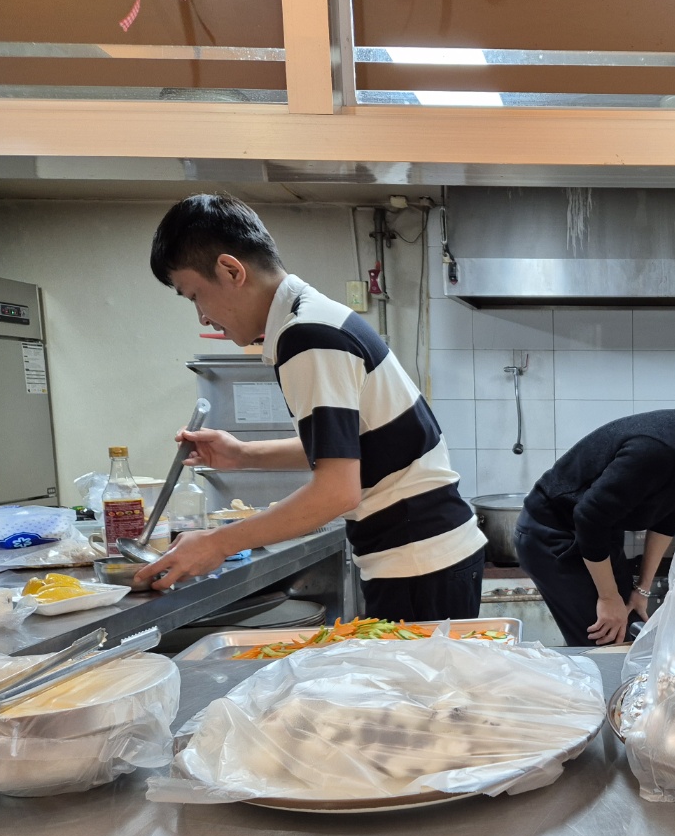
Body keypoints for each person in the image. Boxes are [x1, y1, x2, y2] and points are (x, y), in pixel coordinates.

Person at [136, 194, 487, 621]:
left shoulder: (308, 336)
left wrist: (218, 543)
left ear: (231, 270)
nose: (202, 317)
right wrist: (242, 454)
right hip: (429, 557)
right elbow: (349, 447)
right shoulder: (315, 319)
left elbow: (336, 492)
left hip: (418, 562)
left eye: (195, 295)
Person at [515, 387, 675, 647]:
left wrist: (642, 589)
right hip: (554, 533)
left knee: (626, 629)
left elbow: (668, 518)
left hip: (600, 534)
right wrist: (608, 598)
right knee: (605, 640)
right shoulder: (657, 450)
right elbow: (589, 517)